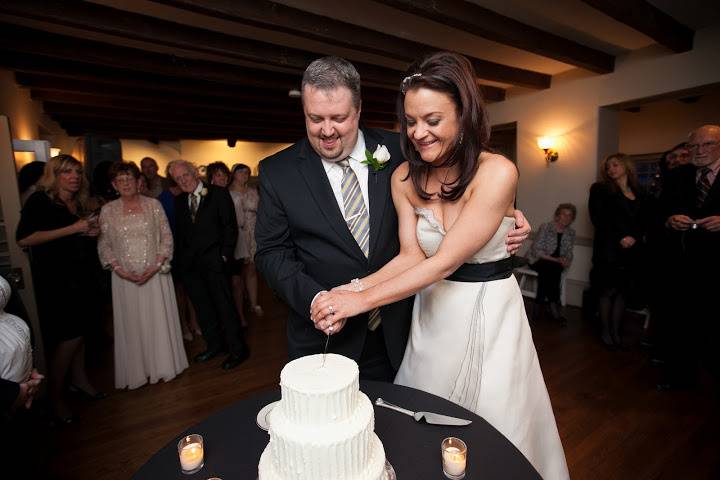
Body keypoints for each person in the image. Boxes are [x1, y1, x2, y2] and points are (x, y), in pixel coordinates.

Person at [309, 52, 568, 479]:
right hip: (433, 313)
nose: (419, 133)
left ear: (464, 116)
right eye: (410, 121)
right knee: (421, 411)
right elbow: (411, 257)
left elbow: (445, 261)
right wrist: (350, 290)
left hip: (488, 312)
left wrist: (361, 303)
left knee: (494, 417)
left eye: (432, 120)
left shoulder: (497, 171)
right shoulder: (403, 178)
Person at [256, 56, 531, 381]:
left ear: (358, 110)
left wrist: (505, 219)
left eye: (339, 118)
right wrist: (323, 298)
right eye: (315, 118)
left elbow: (463, 192)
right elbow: (271, 253)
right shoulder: (278, 171)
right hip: (327, 336)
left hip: (403, 328)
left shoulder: (406, 152)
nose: (326, 130)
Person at [16, 154, 105, 424]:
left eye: (77, 172)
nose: (74, 177)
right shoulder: (40, 200)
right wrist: (73, 229)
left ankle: (80, 382)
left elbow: (74, 233)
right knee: (68, 338)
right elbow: (24, 238)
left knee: (80, 336)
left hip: (82, 278)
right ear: (54, 175)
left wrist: (87, 232)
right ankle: (54, 398)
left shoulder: (75, 202)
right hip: (58, 282)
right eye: (67, 172)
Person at [97, 162, 188, 389]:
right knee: (132, 324)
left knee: (157, 319)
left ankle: (164, 365)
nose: (126, 183)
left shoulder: (153, 205)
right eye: (120, 180)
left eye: (129, 179)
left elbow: (167, 237)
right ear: (114, 185)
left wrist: (156, 264)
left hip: (156, 275)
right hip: (124, 279)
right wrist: (120, 269)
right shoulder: (108, 211)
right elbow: (104, 245)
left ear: (138, 181)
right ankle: (137, 372)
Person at [168, 160, 250, 370]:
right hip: (191, 268)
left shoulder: (218, 193)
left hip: (216, 262)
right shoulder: (179, 201)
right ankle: (215, 346)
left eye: (185, 175)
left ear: (195, 172)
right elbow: (181, 235)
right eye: (177, 178)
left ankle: (238, 350)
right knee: (203, 309)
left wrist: (224, 256)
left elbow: (229, 227)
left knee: (225, 306)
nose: (183, 180)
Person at [660, 124, 720, 387]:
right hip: (683, 264)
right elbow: (657, 212)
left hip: (717, 264)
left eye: (707, 144)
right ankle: (680, 377)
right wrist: (670, 220)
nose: (699, 150)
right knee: (681, 322)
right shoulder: (679, 176)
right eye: (694, 145)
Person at [589, 153, 647, 350]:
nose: (610, 169)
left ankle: (616, 332)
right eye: (607, 166)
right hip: (608, 249)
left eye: (615, 165)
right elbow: (599, 218)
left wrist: (635, 237)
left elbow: (645, 220)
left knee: (622, 292)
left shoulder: (640, 192)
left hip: (632, 251)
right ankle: (606, 332)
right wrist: (620, 237)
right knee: (607, 290)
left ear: (626, 166)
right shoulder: (600, 189)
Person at [207, 161, 249, 328]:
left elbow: (240, 221)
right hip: (217, 247)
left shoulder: (235, 196)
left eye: (224, 174)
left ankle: (240, 316)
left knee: (237, 281)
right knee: (223, 284)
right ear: (210, 178)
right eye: (218, 175)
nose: (223, 177)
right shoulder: (207, 198)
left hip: (236, 242)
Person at [527, 203, 577, 325]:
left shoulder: (571, 233)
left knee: (551, 270)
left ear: (572, 219)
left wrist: (567, 260)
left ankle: (538, 304)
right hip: (538, 260)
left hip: (554, 265)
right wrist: (557, 260)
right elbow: (536, 249)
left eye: (570, 215)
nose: (566, 217)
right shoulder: (546, 227)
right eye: (563, 214)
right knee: (551, 268)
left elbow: (569, 252)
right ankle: (553, 307)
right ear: (557, 215)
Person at [229, 163, 263, 318]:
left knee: (252, 269)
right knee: (238, 272)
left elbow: (261, 211)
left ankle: (254, 303)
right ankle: (238, 305)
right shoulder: (228, 193)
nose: (244, 174)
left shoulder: (253, 191)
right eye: (241, 171)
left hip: (253, 232)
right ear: (234, 174)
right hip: (238, 234)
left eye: (247, 172)